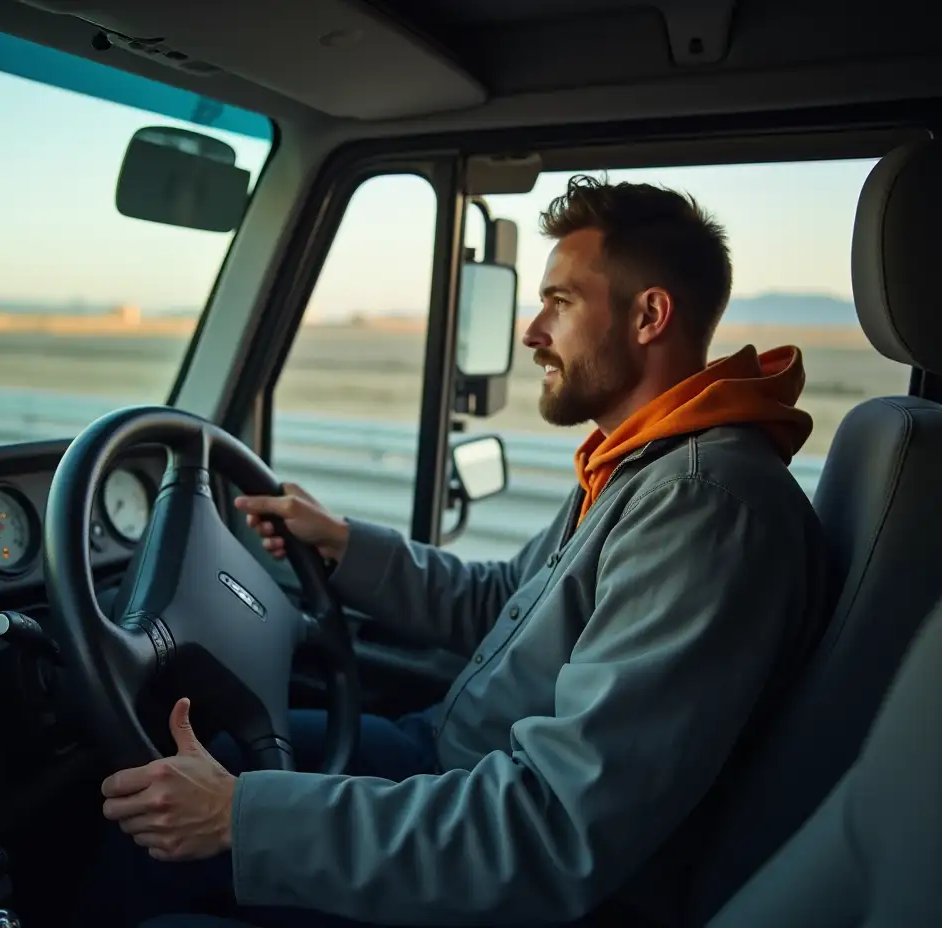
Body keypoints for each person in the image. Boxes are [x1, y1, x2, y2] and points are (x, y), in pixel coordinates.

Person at [72, 175, 829, 927]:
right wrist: (342, 543)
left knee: (155, 863)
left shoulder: (700, 507)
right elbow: (504, 602)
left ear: (649, 316)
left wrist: (243, 818)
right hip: (447, 764)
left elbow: (555, 828)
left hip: (498, 856)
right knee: (175, 783)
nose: (533, 333)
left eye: (559, 303)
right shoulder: (641, 462)